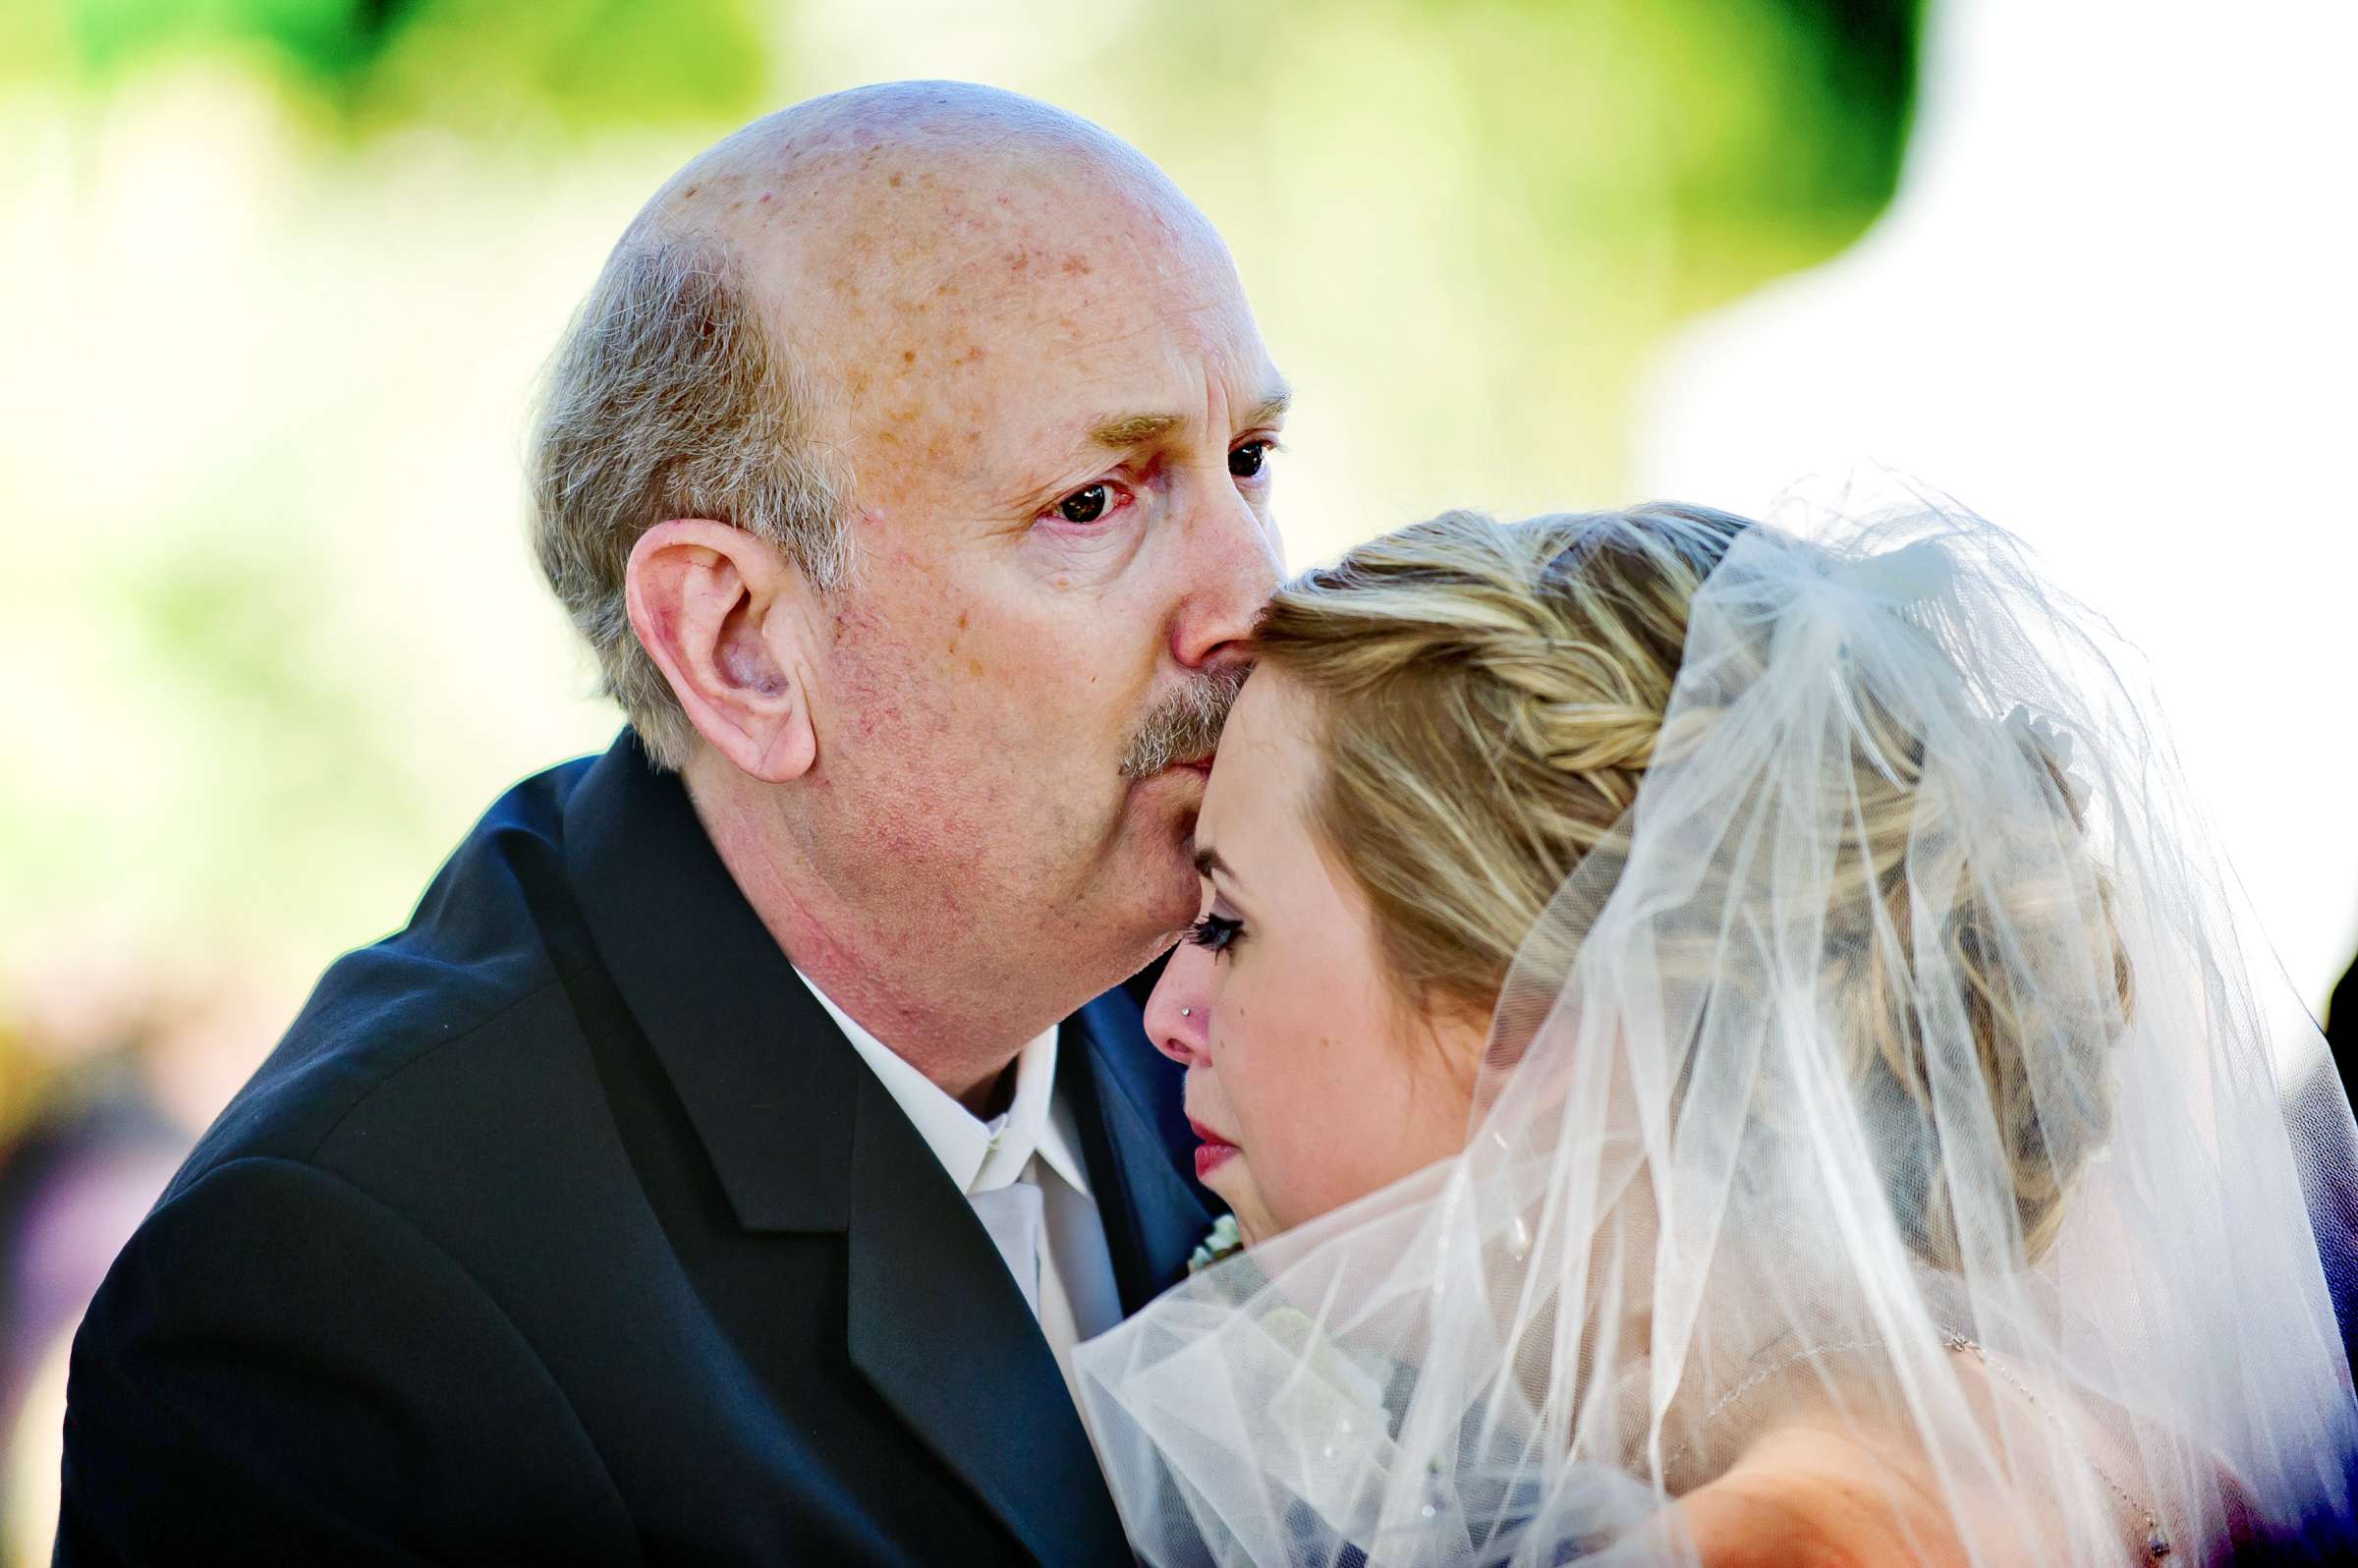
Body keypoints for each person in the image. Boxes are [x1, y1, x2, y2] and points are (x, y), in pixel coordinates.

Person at [56, 82, 1284, 1565]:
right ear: (741, 646)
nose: (1260, 605)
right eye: (1094, 502)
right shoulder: (340, 1299)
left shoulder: (1280, 972)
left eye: (1249, 462)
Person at [1077, 504, 2358, 1565]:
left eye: (1230, 922)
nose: (1170, 1016)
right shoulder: (2122, 1459)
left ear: (1533, 1019)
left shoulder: (1767, 1542)